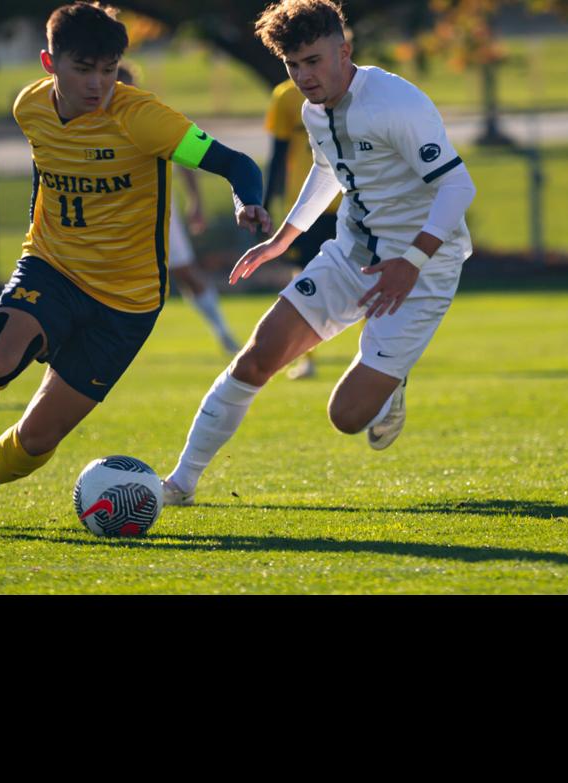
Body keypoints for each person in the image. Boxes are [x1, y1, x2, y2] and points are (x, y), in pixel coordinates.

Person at [0, 2, 268, 529]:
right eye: (83, 69)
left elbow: (236, 162)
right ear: (49, 63)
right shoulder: (28, 107)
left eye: (107, 70)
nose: (98, 83)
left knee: (38, 436)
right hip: (51, 266)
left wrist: (247, 201)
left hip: (127, 303)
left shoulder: (143, 117)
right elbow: (48, 168)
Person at [159, 0, 474, 505]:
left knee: (346, 417)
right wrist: (281, 240)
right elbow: (328, 171)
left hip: (422, 267)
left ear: (343, 51)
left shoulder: (395, 102)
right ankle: (180, 483)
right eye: (293, 64)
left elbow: (458, 188)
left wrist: (409, 263)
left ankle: (390, 385)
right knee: (258, 356)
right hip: (350, 254)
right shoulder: (313, 108)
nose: (304, 76)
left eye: (313, 61)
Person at [116, 64, 238, 355]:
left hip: (157, 213)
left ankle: (223, 333)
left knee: (185, 272)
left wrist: (195, 203)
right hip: (114, 214)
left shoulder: (152, 116)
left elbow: (186, 160)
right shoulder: (93, 121)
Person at [264, 75, 339, 379]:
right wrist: (267, 200)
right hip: (307, 206)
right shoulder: (286, 96)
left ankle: (369, 356)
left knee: (368, 278)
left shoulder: (358, 90)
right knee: (306, 283)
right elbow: (278, 152)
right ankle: (306, 358)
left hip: (350, 203)